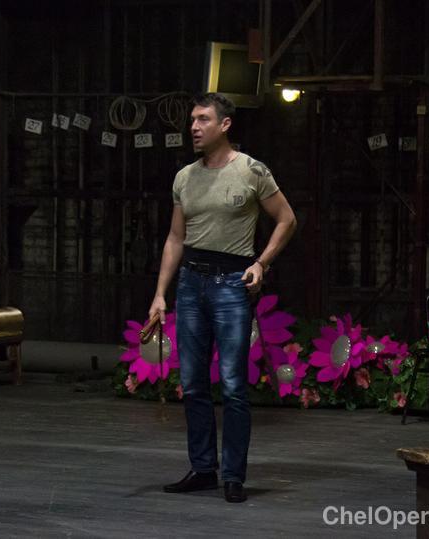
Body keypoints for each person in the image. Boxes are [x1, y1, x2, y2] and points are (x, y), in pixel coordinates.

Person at [149, 93, 296, 503]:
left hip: (232, 283)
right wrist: (160, 294)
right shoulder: (184, 177)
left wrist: (262, 263)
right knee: (193, 383)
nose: (194, 127)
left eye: (203, 119)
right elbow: (175, 237)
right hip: (191, 284)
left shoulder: (251, 170)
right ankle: (202, 469)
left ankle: (233, 475)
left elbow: (287, 219)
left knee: (232, 385)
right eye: (192, 120)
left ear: (225, 124)